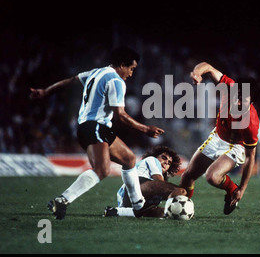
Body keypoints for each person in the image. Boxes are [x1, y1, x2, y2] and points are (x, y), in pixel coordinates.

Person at [30, 46, 165, 219]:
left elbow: (71, 80)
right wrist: (145, 129)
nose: (131, 74)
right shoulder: (116, 81)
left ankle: (139, 205)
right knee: (102, 170)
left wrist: (46, 91)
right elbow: (120, 116)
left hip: (94, 127)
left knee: (129, 159)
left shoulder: (96, 72)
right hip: (95, 126)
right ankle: (62, 200)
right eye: (131, 69)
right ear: (122, 65)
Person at [180, 62, 260, 215]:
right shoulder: (229, 87)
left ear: (252, 102)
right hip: (217, 137)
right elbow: (207, 67)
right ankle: (182, 210)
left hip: (236, 146)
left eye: (243, 100)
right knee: (187, 176)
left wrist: (242, 189)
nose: (237, 102)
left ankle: (232, 190)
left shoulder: (251, 123)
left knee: (212, 176)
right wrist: (197, 74)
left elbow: (251, 157)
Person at [104, 145, 186, 218]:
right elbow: (158, 181)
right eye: (164, 158)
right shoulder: (152, 160)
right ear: (156, 156)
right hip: (137, 186)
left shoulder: (153, 173)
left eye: (169, 163)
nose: (166, 162)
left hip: (127, 202)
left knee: (162, 212)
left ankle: (117, 211)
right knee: (180, 191)